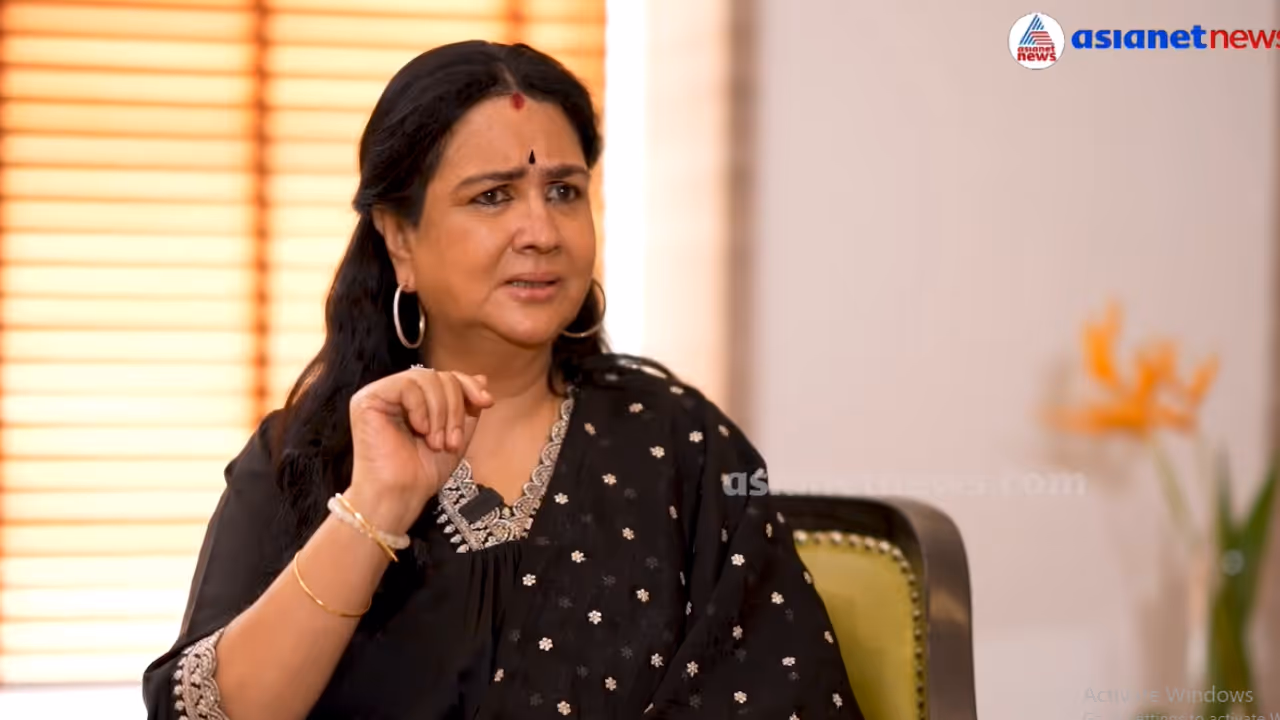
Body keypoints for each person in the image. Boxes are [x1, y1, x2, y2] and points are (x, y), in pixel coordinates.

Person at [142, 40, 863, 720]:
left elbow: (785, 693)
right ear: (400, 238)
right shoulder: (304, 457)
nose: (542, 232)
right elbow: (208, 711)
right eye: (493, 196)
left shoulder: (682, 445)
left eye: (564, 191)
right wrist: (374, 507)